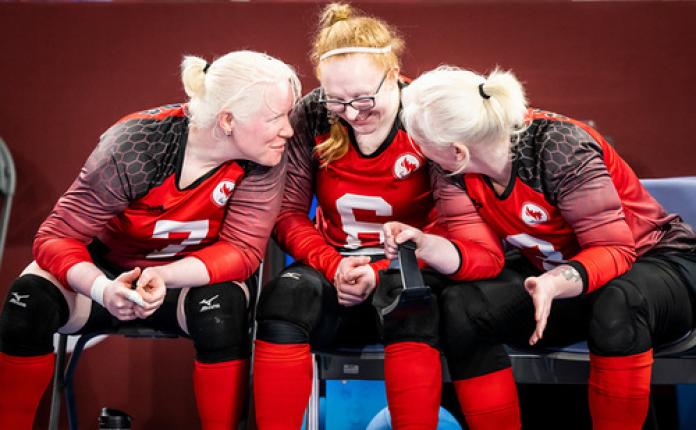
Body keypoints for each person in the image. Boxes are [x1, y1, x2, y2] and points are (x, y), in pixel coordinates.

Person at [0, 50, 300, 430]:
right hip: (106, 277)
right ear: (227, 120)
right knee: (26, 302)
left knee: (222, 309)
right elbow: (55, 237)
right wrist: (103, 288)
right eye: (276, 118)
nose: (289, 130)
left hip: (184, 283)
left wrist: (164, 277)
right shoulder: (138, 143)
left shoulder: (266, 155)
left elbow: (242, 252)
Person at [386, 65, 696, 430]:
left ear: (456, 149)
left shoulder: (561, 147)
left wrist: (555, 282)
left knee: (619, 301)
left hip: (657, 264)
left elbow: (615, 249)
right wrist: (426, 243)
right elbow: (483, 258)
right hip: (561, 276)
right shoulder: (452, 168)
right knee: (463, 307)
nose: (417, 150)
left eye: (419, 142)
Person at [252, 4, 504, 429]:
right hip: (339, 268)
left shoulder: (424, 116)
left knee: (410, 301)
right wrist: (334, 266)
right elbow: (289, 216)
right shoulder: (314, 114)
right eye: (338, 101)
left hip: (412, 269)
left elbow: (466, 236)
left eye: (365, 98)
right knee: (283, 296)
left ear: (394, 72)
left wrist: (387, 267)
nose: (352, 113)